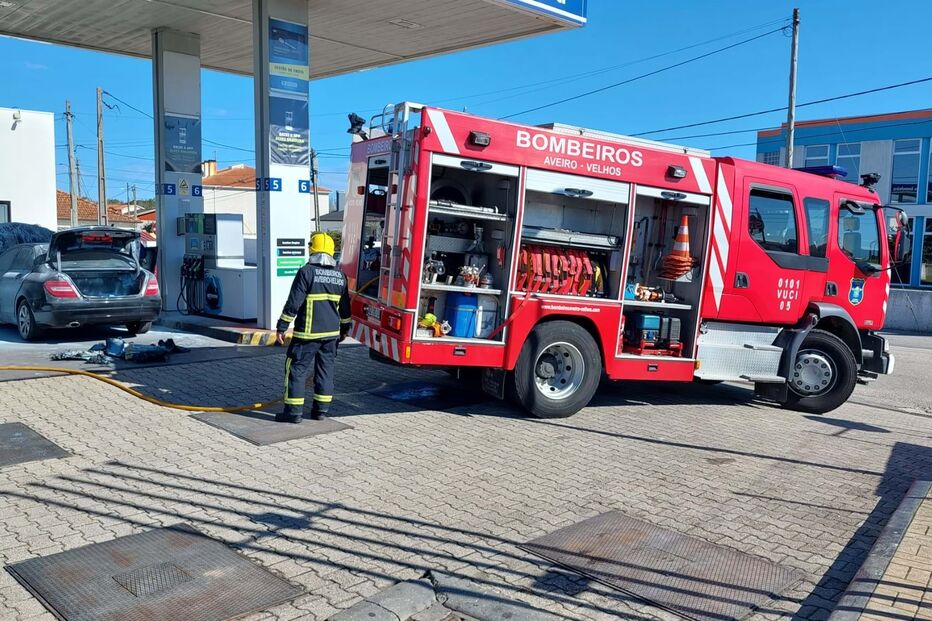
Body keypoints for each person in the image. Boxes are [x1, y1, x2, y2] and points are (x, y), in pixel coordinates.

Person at [275, 232, 351, 423]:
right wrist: (344, 330)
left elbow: (294, 303)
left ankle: (293, 413)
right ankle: (320, 412)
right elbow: (345, 308)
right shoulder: (340, 276)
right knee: (325, 372)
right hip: (331, 336)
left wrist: (282, 327)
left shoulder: (306, 272)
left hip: (307, 334)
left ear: (312, 250)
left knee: (296, 370)